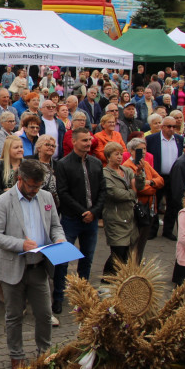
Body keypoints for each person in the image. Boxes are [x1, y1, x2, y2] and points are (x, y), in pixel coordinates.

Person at [0, 159, 65, 369]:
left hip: (39, 266)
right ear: (19, 179)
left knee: (45, 314)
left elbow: (56, 226)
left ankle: (44, 352)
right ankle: (16, 355)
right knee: (13, 316)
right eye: (31, 186)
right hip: (13, 268)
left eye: (39, 186)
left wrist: (59, 239)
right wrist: (21, 244)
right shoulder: (2, 201)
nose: (35, 190)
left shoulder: (46, 197)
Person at [53, 127, 105, 315]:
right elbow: (63, 192)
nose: (88, 143)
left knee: (87, 259)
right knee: (62, 260)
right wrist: (83, 211)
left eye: (89, 140)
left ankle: (82, 295)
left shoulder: (96, 163)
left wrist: (94, 212)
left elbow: (102, 191)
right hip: (71, 218)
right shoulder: (63, 164)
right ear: (74, 142)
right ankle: (58, 296)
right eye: (84, 140)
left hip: (91, 219)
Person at [101, 141, 142, 277]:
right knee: (117, 252)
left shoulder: (127, 170)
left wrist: (140, 173)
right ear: (108, 156)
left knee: (126, 253)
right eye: (116, 154)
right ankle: (106, 280)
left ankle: (118, 280)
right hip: (115, 218)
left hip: (130, 217)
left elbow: (140, 186)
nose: (119, 157)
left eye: (120, 154)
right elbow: (115, 193)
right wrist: (133, 192)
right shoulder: (105, 173)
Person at [122, 137, 163, 264]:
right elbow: (140, 190)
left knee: (143, 238)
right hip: (138, 208)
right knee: (135, 238)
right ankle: (131, 263)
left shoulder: (145, 164)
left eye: (145, 149)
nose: (144, 152)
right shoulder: (127, 166)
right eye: (140, 149)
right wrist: (153, 187)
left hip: (149, 207)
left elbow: (160, 180)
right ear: (132, 151)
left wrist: (150, 182)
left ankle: (137, 261)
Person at [145, 116, 185, 240]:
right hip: (157, 175)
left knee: (173, 203)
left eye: (174, 126)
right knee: (154, 203)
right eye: (169, 126)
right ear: (162, 127)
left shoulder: (179, 139)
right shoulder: (151, 139)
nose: (172, 129)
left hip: (173, 177)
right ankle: (152, 229)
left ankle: (168, 230)